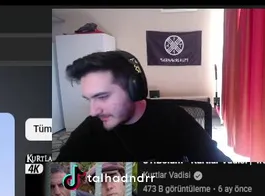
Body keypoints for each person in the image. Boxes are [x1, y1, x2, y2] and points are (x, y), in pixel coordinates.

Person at [56, 50, 232, 162]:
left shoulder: (174, 119)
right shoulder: (91, 128)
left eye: (102, 97)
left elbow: (217, 163)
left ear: (134, 89)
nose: (93, 111)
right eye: (89, 99)